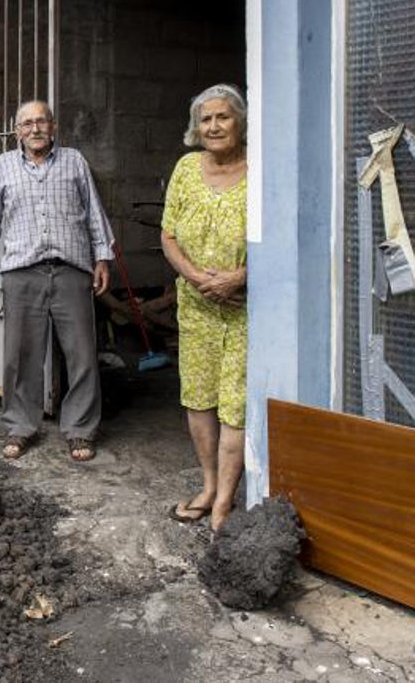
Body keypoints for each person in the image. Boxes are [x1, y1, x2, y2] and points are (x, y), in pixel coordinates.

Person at [0, 100, 114, 462]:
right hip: (22, 270)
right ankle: (20, 425)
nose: (35, 129)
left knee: (81, 354)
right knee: (20, 355)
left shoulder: (74, 162)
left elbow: (94, 214)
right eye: (27, 123)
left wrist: (102, 257)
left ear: (53, 127)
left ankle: (80, 430)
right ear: (16, 131)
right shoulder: (3, 166)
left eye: (41, 121)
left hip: (71, 268)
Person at [160, 83, 248, 531]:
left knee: (234, 404)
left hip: (243, 308)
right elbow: (168, 234)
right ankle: (209, 483)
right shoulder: (185, 168)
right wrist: (196, 278)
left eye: (223, 117)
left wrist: (239, 277)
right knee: (198, 398)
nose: (213, 126)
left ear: (240, 122)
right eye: (206, 119)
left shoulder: (258, 171)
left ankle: (224, 503)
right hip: (196, 306)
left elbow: (278, 238)